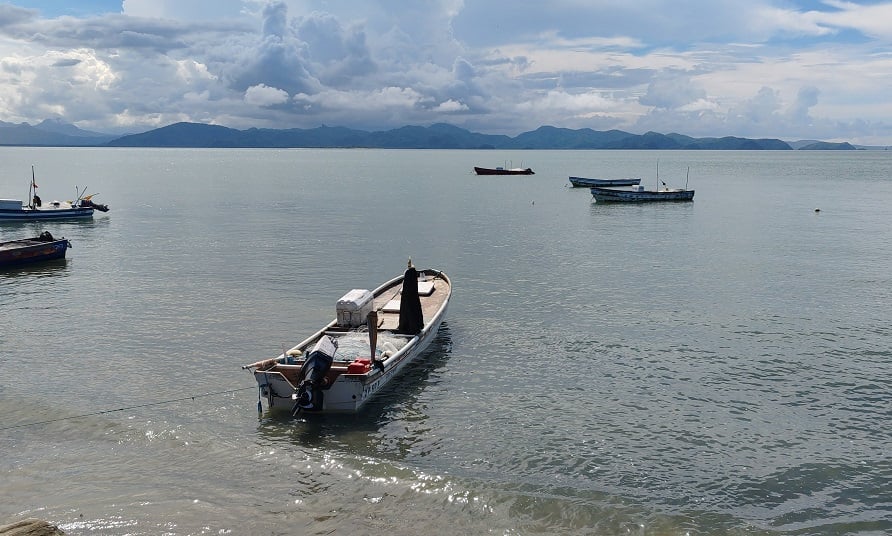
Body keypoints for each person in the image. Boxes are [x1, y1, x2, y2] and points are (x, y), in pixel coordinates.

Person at [397, 258, 424, 334]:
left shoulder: (406, 290)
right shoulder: (413, 288)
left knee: (407, 307)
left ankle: (405, 326)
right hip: (412, 297)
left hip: (407, 297)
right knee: (413, 307)